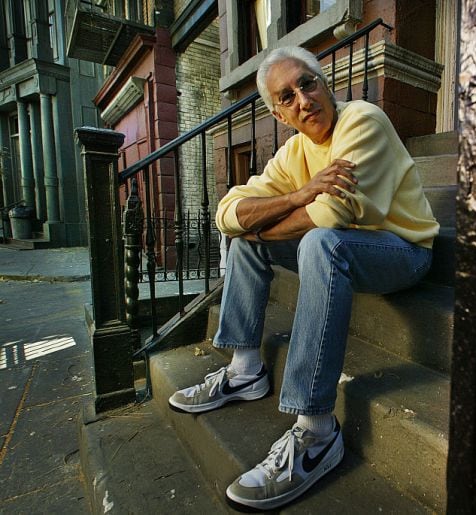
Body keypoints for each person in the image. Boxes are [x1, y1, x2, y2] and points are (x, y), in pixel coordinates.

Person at [168, 46, 439, 510]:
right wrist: (297, 197)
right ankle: (244, 370)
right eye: (287, 97)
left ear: (325, 82)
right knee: (247, 239)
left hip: (402, 252)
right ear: (279, 113)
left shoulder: (363, 121)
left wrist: (281, 214)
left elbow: (332, 213)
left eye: (307, 83)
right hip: (345, 249)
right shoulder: (295, 151)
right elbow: (227, 213)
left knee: (318, 240)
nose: (303, 100)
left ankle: (316, 432)